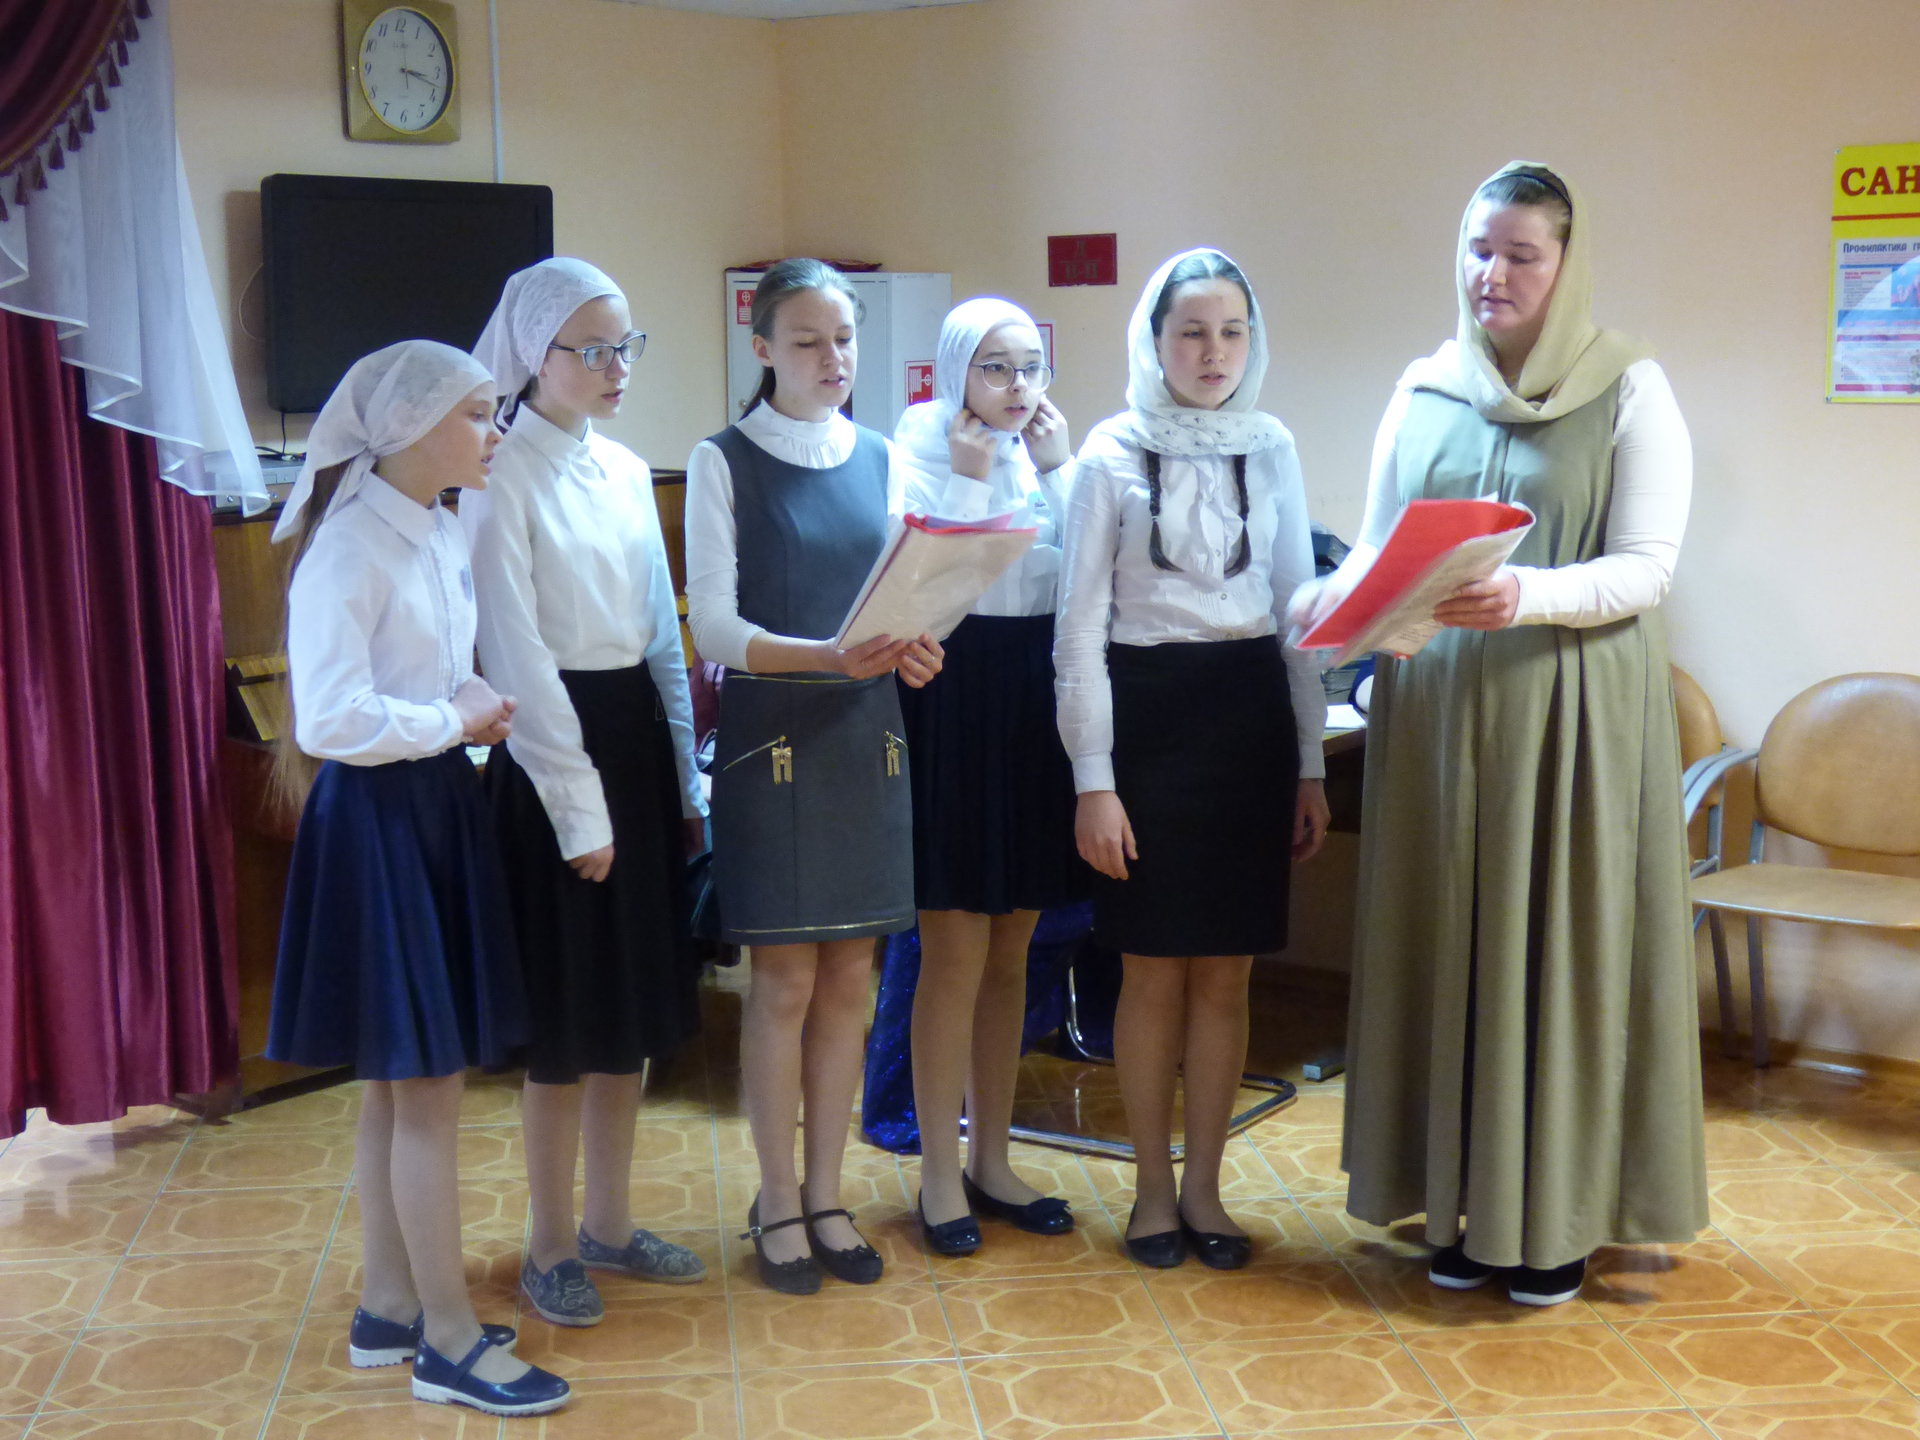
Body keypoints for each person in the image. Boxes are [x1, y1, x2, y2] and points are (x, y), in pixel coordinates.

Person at [1304, 162, 1705, 1307]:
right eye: (1480, 250)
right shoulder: (1424, 389)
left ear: (1566, 263)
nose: (1495, 273)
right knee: (1448, 949)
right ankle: (1460, 1202)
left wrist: (1525, 595)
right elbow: (1379, 544)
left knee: (1558, 957)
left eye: (1521, 254)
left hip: (1572, 718)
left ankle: (1558, 1221)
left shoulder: (1631, 387)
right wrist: (1339, 607)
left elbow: (1648, 567)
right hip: (1438, 716)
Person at [266, 340, 569, 1418]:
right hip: (379, 820)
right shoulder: (350, 547)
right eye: (478, 414)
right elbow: (329, 719)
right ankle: (447, 1341)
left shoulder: (439, 526)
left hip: (432, 804)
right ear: (408, 429)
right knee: (424, 1087)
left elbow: (426, 678)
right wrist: (453, 715)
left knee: (398, 1084)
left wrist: (464, 707)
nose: (495, 431)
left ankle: (391, 1303)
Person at [1055, 249, 1329, 1271]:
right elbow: (1077, 633)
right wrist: (1094, 780)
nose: (1214, 353)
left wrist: (1309, 760)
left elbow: (1300, 611)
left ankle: (1208, 1190)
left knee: (1226, 972)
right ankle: (1151, 1191)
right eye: (1192, 333)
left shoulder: (1273, 443)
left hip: (1248, 714)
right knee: (1150, 968)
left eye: (1232, 332)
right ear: (1154, 341)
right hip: (1147, 717)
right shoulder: (1108, 452)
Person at [683, 258, 943, 1293]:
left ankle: (828, 1195)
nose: (832, 359)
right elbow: (714, 626)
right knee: (786, 980)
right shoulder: (722, 461)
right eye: (807, 341)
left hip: (867, 737)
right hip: (775, 741)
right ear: (761, 348)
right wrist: (829, 657)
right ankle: (778, 1196)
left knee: (850, 979)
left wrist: (915, 646)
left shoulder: (882, 456)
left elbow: (899, 595)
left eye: (844, 339)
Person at [465, 259, 708, 1329]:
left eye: (626, 347)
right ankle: (551, 1245)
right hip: (550, 755)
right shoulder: (499, 472)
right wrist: (580, 811)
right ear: (536, 354)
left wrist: (686, 775)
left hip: (634, 746)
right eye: (594, 350)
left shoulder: (622, 468)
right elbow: (516, 654)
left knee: (631, 1009)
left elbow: (661, 635)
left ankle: (611, 1222)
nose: (617, 369)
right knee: (567, 1021)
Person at [890, 298, 1087, 1254]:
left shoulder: (1049, 454)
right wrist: (970, 482)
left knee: (1015, 949)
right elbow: (924, 595)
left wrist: (1059, 467)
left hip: (1032, 698)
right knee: (954, 952)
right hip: (953, 697)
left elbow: (1092, 573)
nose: (1016, 386)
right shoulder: (917, 443)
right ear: (954, 372)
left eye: (1029, 367)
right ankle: (938, 1173)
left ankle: (992, 1159)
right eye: (995, 367)